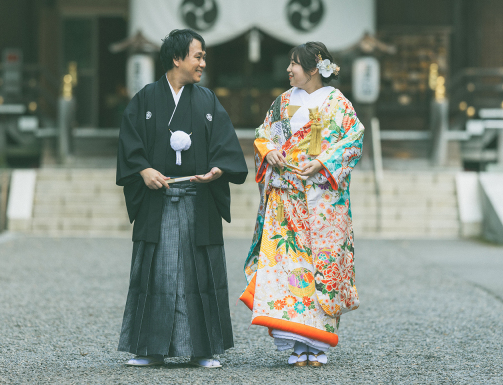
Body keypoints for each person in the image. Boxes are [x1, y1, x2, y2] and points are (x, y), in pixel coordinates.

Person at [116, 28, 247, 368]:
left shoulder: (207, 101)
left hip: (196, 200)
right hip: (157, 200)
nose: (203, 62)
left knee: (198, 274)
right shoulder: (145, 99)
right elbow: (130, 145)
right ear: (177, 59)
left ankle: (203, 349)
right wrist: (143, 170)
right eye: (197, 56)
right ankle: (149, 349)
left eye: (203, 56)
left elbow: (226, 147)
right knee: (155, 274)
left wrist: (218, 169)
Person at [240, 41, 364, 367]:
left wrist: (323, 162)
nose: (288, 69)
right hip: (286, 199)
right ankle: (296, 342)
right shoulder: (283, 103)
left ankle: (318, 343)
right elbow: (263, 134)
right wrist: (269, 151)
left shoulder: (337, 103)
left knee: (321, 269)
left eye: (294, 64)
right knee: (290, 270)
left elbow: (353, 138)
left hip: (323, 200)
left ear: (313, 68)